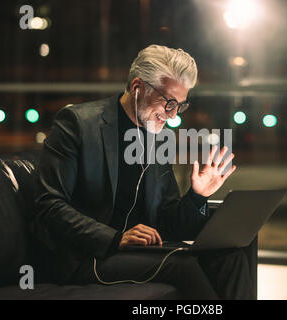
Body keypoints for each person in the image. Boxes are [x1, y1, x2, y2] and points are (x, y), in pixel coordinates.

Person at [33, 44, 253, 299]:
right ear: (137, 87)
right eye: (168, 102)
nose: (171, 116)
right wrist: (116, 238)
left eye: (179, 106)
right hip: (87, 255)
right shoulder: (78, 124)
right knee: (181, 266)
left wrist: (197, 196)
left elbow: (169, 224)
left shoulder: (159, 138)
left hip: (139, 253)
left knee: (231, 258)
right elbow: (48, 205)